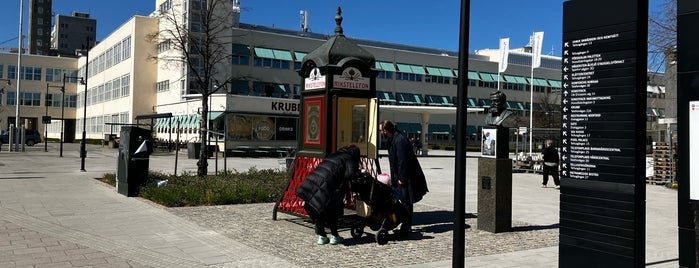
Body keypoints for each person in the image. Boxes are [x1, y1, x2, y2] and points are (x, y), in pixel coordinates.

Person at [295, 144, 361, 245]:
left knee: (315, 207)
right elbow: (350, 174)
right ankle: (335, 236)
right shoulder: (350, 158)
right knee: (332, 210)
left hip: (313, 182)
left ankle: (322, 236)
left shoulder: (335, 154)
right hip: (328, 186)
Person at [379, 120, 429, 236]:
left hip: (405, 177)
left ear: (386, 130)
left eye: (381, 130)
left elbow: (403, 161)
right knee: (400, 200)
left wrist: (402, 178)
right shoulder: (393, 139)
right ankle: (401, 222)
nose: (381, 132)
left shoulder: (399, 140)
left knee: (406, 201)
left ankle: (406, 225)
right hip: (398, 176)